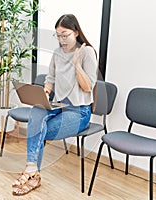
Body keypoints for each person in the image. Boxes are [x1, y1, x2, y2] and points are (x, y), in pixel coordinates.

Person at [12, 14, 98, 196]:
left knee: (38, 130)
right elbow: (50, 79)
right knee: (36, 111)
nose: (61, 39)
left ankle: (32, 176)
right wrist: (43, 93)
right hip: (59, 105)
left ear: (76, 32)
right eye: (58, 35)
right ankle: (32, 170)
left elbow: (88, 86)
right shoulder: (58, 53)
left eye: (64, 35)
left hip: (79, 111)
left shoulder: (87, 52)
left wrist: (76, 64)